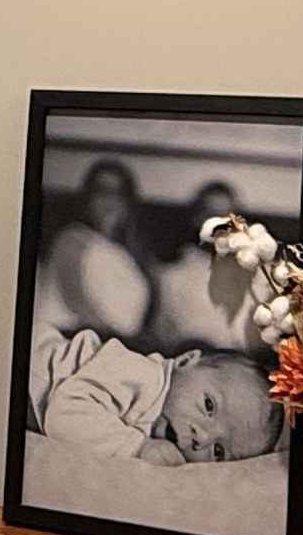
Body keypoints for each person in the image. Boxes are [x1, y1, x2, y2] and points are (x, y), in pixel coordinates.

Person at [28, 330, 282, 466]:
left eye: (218, 451)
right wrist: (137, 448)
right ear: (185, 361)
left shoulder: (163, 422)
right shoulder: (142, 376)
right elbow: (64, 414)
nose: (201, 438)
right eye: (208, 405)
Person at [35, 158, 156, 343]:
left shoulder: (131, 256)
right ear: (87, 198)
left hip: (116, 349)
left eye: (118, 193)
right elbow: (77, 301)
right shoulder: (71, 239)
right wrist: (118, 342)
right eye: (101, 191)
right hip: (71, 343)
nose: (110, 200)